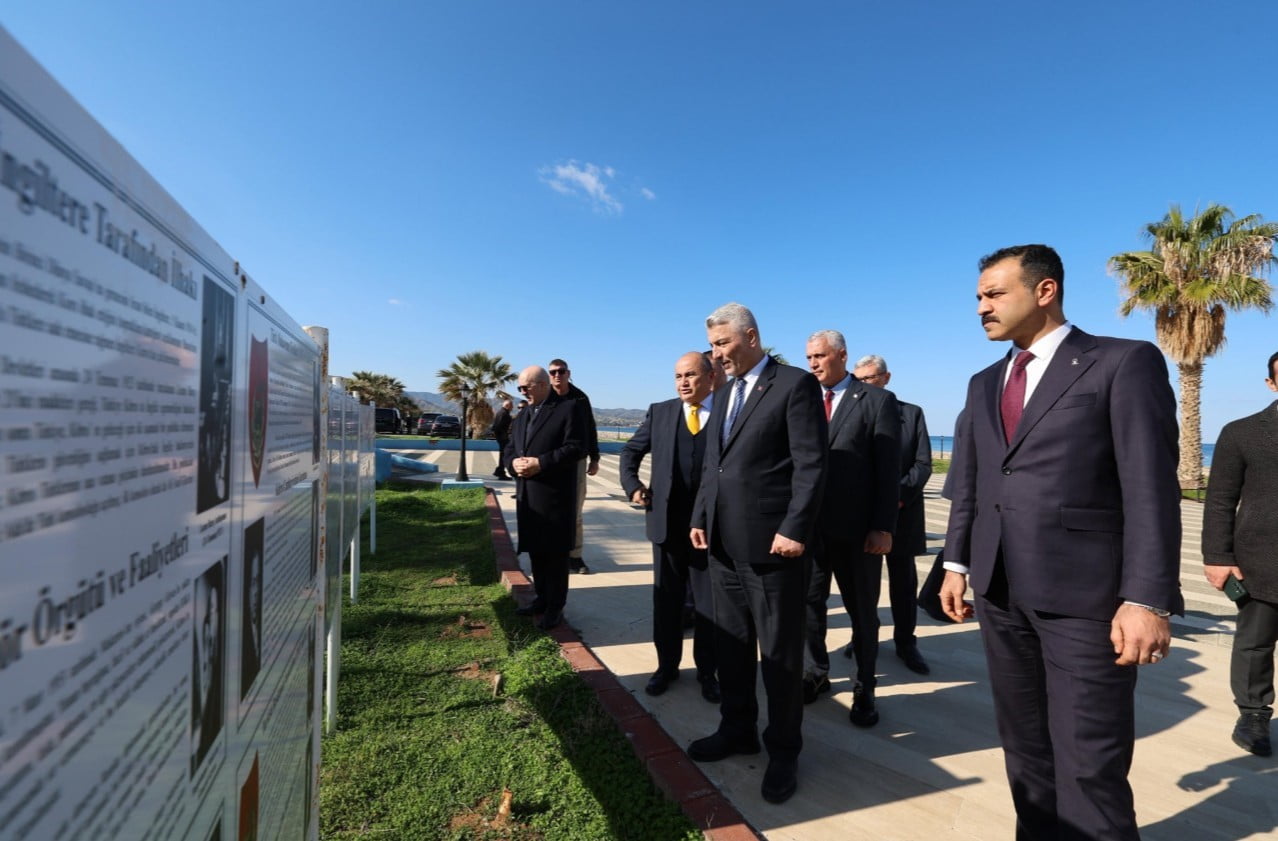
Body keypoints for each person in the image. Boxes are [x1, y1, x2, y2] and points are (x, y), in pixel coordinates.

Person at [941, 244, 1182, 841]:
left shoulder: (1121, 362)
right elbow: (971, 482)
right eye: (978, 297)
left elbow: (1150, 487)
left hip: (1087, 601)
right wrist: (955, 563)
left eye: (994, 294)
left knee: (1089, 764)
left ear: (1044, 290)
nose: (981, 308)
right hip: (998, 592)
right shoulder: (983, 383)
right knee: (1024, 751)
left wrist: (1146, 599)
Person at [688, 302, 827, 804]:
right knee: (731, 646)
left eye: (723, 343)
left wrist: (795, 528)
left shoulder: (794, 385)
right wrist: (700, 517)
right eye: (712, 345)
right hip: (722, 546)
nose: (716, 354)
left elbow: (812, 464)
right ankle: (737, 729)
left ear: (750, 337)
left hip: (773, 549)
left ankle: (784, 751)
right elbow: (714, 465)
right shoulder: (724, 393)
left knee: (780, 658)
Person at [803, 332, 900, 727]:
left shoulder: (876, 401)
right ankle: (815, 673)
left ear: (842, 355)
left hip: (858, 533)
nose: (813, 363)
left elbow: (887, 470)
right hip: (810, 532)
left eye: (820, 356)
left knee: (862, 613)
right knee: (809, 607)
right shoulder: (803, 399)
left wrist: (882, 526)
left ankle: (864, 687)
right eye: (809, 357)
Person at [620, 352, 720, 703]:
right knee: (667, 603)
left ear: (710, 377)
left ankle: (708, 672)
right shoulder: (660, 412)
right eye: (678, 376)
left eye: (690, 375)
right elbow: (630, 453)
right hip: (666, 527)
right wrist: (633, 486)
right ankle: (666, 667)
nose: (683, 383)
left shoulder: (727, 412)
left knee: (709, 607)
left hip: (710, 530)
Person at [1202, 350, 1278, 757]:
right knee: (1255, 645)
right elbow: (1219, 500)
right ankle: (1253, 715)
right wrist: (1217, 556)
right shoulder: (1241, 433)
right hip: (1260, 561)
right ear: (1271, 383)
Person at [851, 354, 933, 675]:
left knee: (903, 584)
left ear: (886, 378)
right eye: (859, 379)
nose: (864, 385)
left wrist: (894, 498)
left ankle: (906, 643)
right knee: (864, 585)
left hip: (903, 513)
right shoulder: (852, 413)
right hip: (862, 515)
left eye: (870, 378)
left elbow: (922, 464)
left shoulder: (911, 414)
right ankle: (863, 637)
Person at [503, 366, 585, 630]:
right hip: (528, 497)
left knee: (555, 557)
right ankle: (541, 598)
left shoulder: (568, 409)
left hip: (554, 497)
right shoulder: (523, 415)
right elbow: (510, 448)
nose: (522, 392)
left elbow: (576, 447)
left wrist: (541, 463)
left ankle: (555, 607)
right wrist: (513, 463)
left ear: (541, 384)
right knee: (537, 552)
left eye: (525, 387)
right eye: (519, 388)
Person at [548, 358, 600, 574]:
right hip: (549, 461)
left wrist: (595, 458)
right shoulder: (545, 397)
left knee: (575, 511)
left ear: (568, 373)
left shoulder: (580, 398)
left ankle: (575, 556)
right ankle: (551, 553)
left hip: (576, 460)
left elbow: (590, 428)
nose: (557, 375)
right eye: (553, 372)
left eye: (561, 371)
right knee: (548, 509)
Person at [491, 398, 514, 480]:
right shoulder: (503, 413)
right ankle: (501, 473)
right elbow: (498, 426)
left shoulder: (502, 412)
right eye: (511, 406)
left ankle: (499, 471)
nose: (512, 407)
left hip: (502, 437)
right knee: (504, 455)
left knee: (503, 455)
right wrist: (502, 436)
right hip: (502, 438)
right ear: (507, 405)